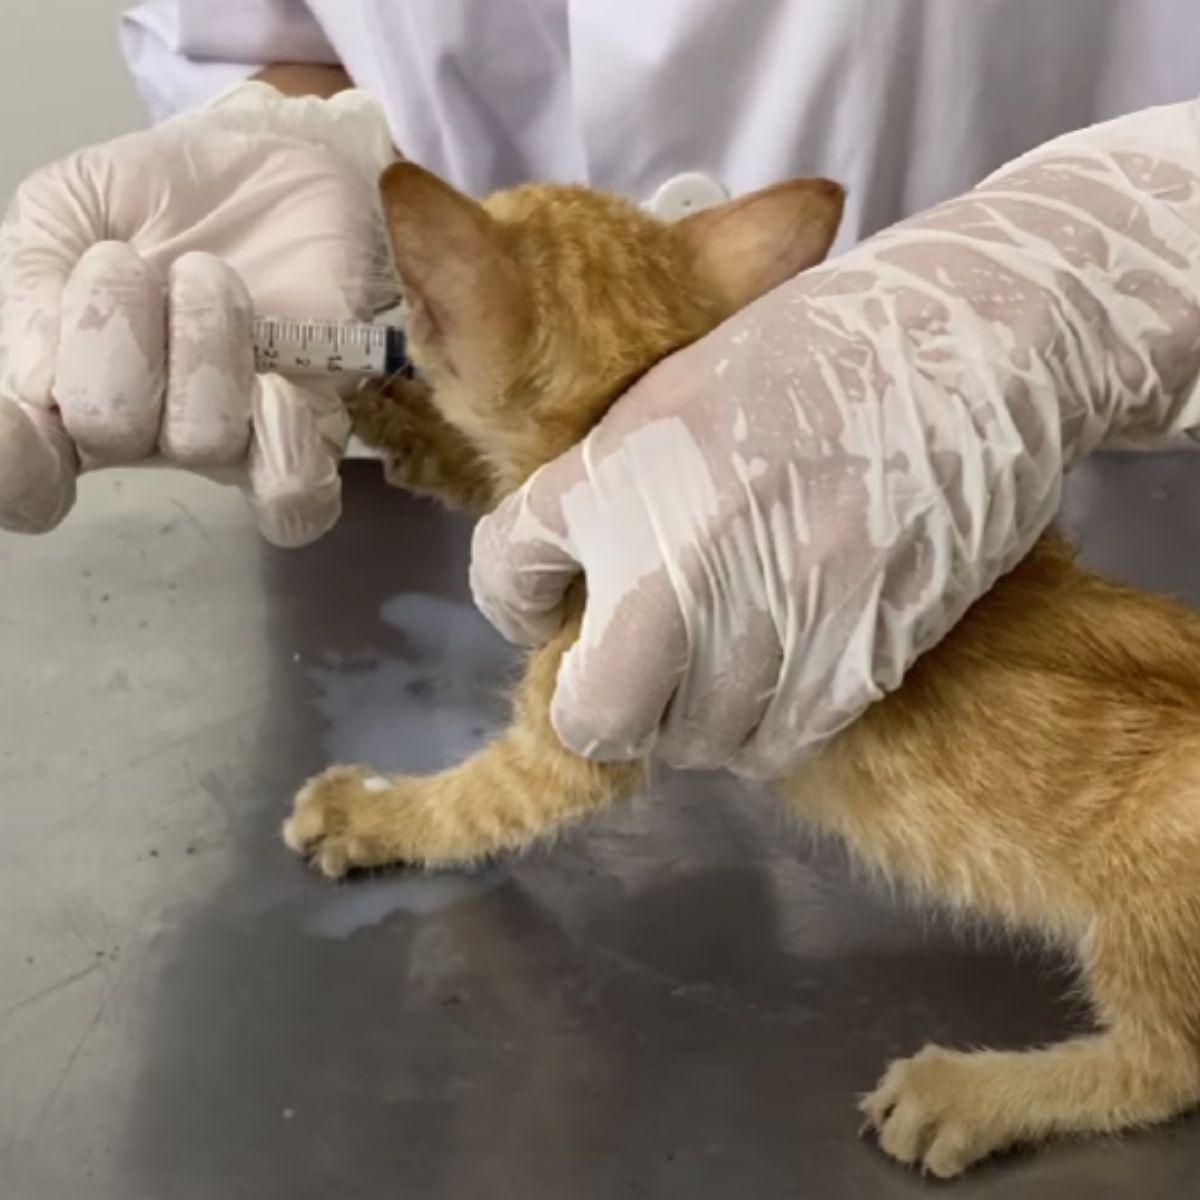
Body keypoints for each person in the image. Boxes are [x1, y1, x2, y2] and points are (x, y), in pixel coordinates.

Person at [2, 1, 1200, 775]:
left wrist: (1116, 250)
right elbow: (273, 22)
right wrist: (291, 151)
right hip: (445, 482)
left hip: (1112, 467)